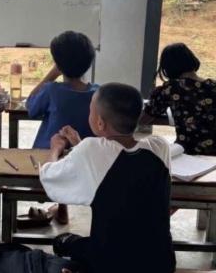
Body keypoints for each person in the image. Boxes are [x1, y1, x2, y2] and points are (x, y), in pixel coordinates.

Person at [41, 83, 175, 273]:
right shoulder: (159, 146)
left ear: (100, 123)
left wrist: (56, 147)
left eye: (90, 111)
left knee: (62, 242)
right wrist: (80, 147)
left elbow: (49, 177)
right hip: (160, 262)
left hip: (111, 263)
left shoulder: (91, 150)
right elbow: (113, 160)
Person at [25, 31, 98, 225]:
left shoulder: (52, 90)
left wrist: (51, 74)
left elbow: (30, 106)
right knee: (68, 151)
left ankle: (59, 206)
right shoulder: (98, 94)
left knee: (54, 145)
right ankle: (61, 209)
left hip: (48, 162)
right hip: (82, 165)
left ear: (58, 64)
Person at [142, 43, 215, 155]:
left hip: (189, 151)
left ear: (168, 67)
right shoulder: (212, 85)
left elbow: (146, 118)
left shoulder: (170, 88)